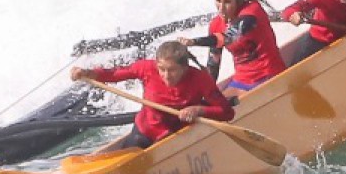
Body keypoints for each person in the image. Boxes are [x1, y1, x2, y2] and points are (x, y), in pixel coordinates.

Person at [70, 40, 235, 153]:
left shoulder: (200, 79)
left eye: (172, 70)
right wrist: (87, 73)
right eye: (162, 69)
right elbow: (113, 74)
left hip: (179, 135)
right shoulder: (146, 68)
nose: (166, 75)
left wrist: (198, 110)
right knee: (133, 146)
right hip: (145, 132)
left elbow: (227, 112)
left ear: (185, 68)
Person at [182, 0, 287, 96]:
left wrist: (194, 42)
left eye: (227, 2)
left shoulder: (252, 13)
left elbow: (226, 38)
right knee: (211, 103)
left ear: (239, 0)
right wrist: (205, 94)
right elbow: (213, 66)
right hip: (241, 80)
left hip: (269, 75)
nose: (221, 8)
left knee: (225, 106)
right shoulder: (216, 25)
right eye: (218, 1)